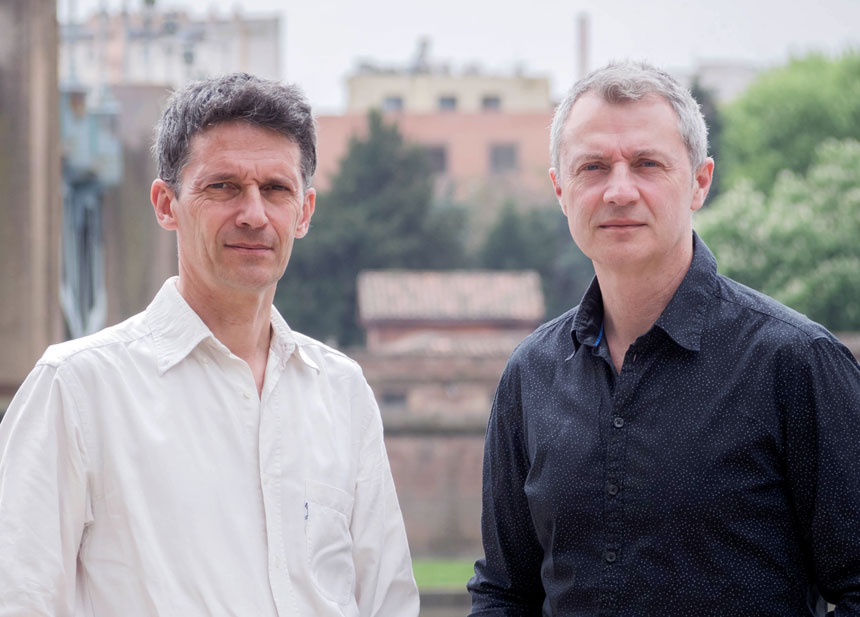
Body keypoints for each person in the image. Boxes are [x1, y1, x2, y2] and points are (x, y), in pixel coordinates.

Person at [0, 73, 419, 617]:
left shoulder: (342, 391)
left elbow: (388, 600)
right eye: (222, 186)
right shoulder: (77, 388)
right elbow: (19, 596)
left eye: (276, 189)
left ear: (305, 211)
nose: (253, 213)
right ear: (165, 204)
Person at [468, 61, 860, 616]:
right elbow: (504, 592)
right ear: (560, 189)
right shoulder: (531, 374)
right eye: (593, 167)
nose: (619, 190)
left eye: (648, 164)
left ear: (700, 181)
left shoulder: (794, 362)